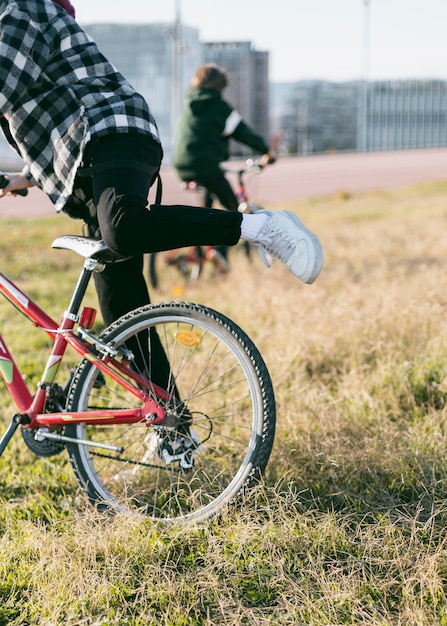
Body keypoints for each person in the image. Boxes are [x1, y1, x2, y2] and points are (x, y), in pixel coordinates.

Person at [0, 0, 323, 340]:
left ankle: (264, 226)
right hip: (89, 156)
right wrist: (24, 177)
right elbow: (55, 119)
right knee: (123, 318)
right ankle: (158, 395)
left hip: (112, 133)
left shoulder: (21, 9)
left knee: (124, 229)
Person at [172, 63, 275, 215]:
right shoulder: (217, 106)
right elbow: (242, 132)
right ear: (220, 85)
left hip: (181, 163)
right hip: (204, 163)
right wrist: (266, 150)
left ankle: (205, 233)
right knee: (234, 208)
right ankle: (241, 228)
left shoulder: (188, 103)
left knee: (207, 204)